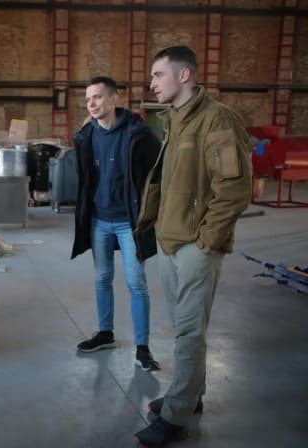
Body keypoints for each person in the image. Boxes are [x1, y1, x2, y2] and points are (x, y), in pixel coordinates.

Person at [133, 46, 252, 446]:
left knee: (188, 333)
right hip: (170, 242)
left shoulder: (217, 119)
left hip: (194, 247)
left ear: (184, 75)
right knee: (184, 329)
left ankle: (176, 417)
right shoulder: (175, 119)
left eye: (158, 74)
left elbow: (233, 189)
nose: (152, 83)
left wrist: (205, 243)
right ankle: (190, 395)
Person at [71, 76, 162, 371]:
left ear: (113, 99)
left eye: (97, 97)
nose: (92, 104)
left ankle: (143, 348)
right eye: (88, 99)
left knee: (136, 283)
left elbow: (160, 170)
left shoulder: (138, 133)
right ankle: (105, 333)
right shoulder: (86, 136)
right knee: (102, 278)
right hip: (99, 220)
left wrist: (153, 209)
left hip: (129, 222)